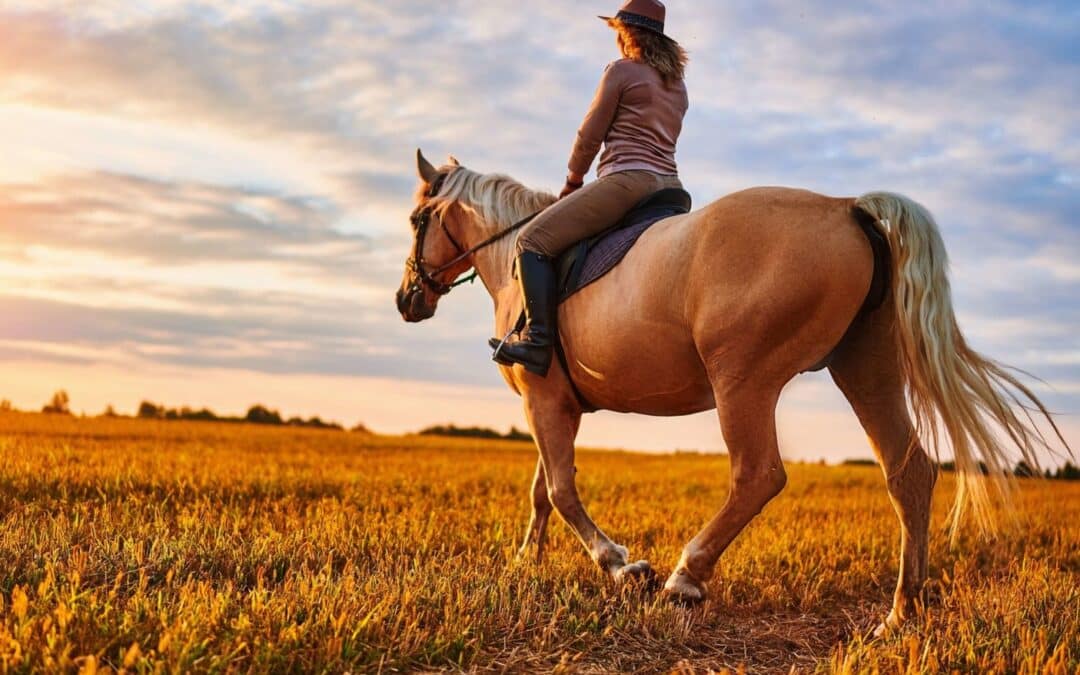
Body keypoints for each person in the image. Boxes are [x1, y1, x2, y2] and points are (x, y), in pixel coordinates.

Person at [492, 0, 690, 376]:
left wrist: (573, 181)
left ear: (627, 33)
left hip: (627, 182)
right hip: (672, 188)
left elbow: (589, 136)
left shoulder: (620, 71)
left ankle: (537, 341)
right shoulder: (677, 86)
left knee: (530, 242)